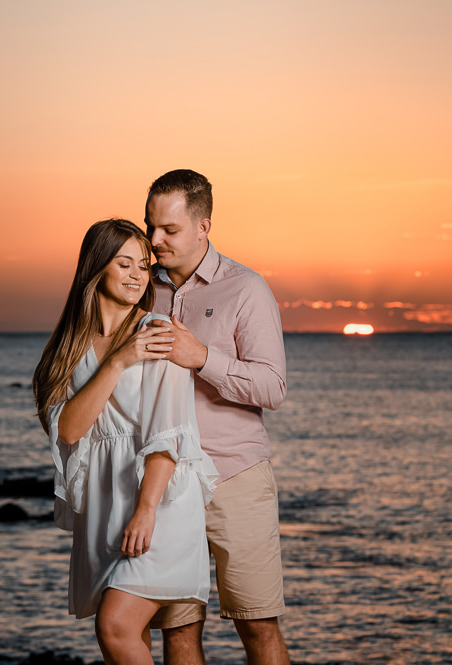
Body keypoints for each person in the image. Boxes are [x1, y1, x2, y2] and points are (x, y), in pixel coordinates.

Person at [33, 219, 219, 665]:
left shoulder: (158, 330)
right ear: (97, 268)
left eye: (144, 264)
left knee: (115, 626)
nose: (139, 275)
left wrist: (147, 510)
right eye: (125, 263)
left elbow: (168, 434)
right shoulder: (69, 347)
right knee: (132, 633)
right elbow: (69, 430)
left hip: (160, 500)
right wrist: (117, 362)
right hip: (104, 503)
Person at [143, 169, 290, 665]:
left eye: (169, 229)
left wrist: (202, 358)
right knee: (178, 632)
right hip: (166, 484)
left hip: (234, 477)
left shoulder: (246, 289)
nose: (155, 240)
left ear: (204, 226)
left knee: (258, 625)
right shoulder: (143, 289)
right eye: (151, 227)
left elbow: (272, 387)